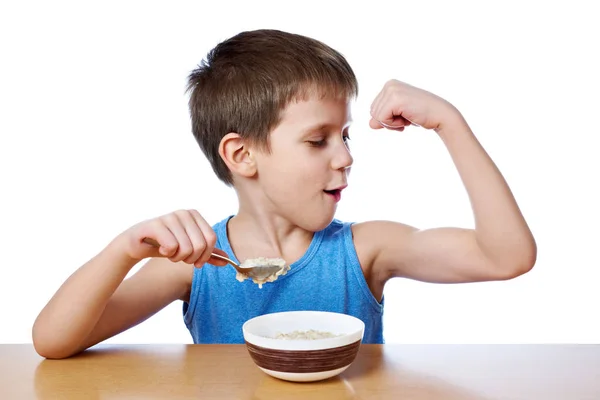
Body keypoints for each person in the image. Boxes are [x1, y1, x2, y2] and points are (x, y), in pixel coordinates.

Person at [32, 29, 537, 359]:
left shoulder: (365, 251)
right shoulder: (200, 262)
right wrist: (125, 250)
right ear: (242, 155)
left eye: (345, 135)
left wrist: (450, 122)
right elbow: (53, 342)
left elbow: (507, 256)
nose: (344, 157)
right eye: (318, 140)